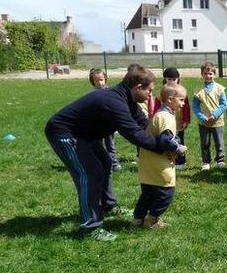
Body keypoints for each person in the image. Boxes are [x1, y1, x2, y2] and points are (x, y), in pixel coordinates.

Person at [45, 65, 182, 240]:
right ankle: (91, 227)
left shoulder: (128, 99)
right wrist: (163, 149)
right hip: (65, 133)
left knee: (105, 163)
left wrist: (169, 142)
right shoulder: (114, 101)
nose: (150, 95)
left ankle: (108, 206)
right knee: (90, 174)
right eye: (149, 91)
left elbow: (143, 126)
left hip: (87, 135)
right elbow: (133, 133)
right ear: (138, 87)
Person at [134, 82, 188, 229]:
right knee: (166, 193)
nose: (183, 103)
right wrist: (179, 149)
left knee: (147, 194)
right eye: (181, 100)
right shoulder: (166, 117)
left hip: (147, 163)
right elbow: (165, 140)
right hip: (158, 164)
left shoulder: (161, 113)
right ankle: (152, 219)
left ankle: (137, 220)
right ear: (170, 99)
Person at [151, 67, 191, 170]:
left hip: (178, 122)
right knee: (169, 140)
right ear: (165, 79)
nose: (171, 81)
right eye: (169, 79)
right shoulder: (162, 93)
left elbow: (186, 107)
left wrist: (186, 119)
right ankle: (169, 158)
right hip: (166, 124)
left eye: (174, 79)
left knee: (179, 139)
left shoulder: (181, 92)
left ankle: (180, 162)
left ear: (178, 79)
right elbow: (156, 108)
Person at [192, 61, 227, 171]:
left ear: (214, 74)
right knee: (205, 142)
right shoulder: (198, 90)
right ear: (202, 74)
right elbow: (195, 106)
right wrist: (202, 117)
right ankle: (206, 162)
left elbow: (223, 104)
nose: (208, 76)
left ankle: (220, 160)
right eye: (206, 73)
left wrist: (215, 115)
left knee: (219, 142)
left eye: (211, 73)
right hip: (204, 122)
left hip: (217, 121)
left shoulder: (220, 88)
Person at [89, 68, 121, 172]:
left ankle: (114, 163)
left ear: (105, 79)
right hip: (97, 125)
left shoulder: (110, 92)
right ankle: (100, 163)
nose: (99, 82)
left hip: (108, 124)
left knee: (110, 145)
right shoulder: (91, 94)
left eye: (101, 79)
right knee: (98, 145)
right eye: (97, 80)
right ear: (93, 81)